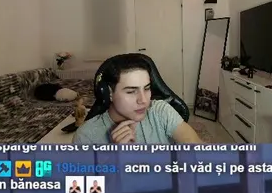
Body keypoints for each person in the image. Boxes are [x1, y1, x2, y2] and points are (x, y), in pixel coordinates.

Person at [74, 54, 205, 145]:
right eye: (131, 91)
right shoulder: (86, 136)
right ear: (109, 93)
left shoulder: (160, 111)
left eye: (147, 88)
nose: (143, 100)